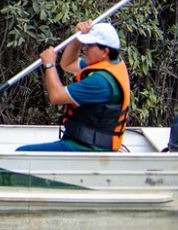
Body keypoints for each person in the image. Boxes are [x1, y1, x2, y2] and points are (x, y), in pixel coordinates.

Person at [17, 21, 130, 152]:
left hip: (87, 148)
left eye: (90, 45)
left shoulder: (100, 82)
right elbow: (67, 64)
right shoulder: (112, 62)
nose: (85, 49)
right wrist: (77, 37)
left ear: (105, 51)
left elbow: (56, 96)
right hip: (83, 141)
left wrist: (49, 65)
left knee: (22, 152)